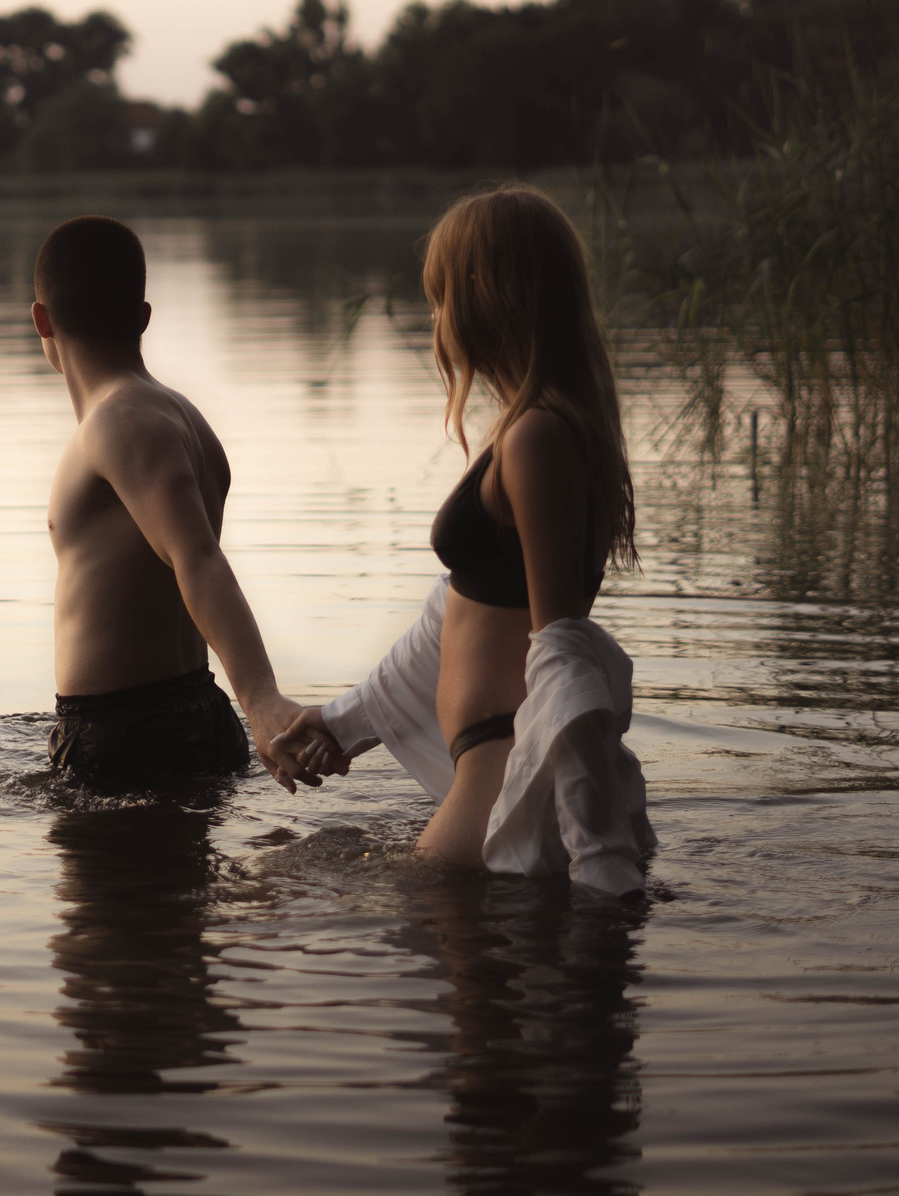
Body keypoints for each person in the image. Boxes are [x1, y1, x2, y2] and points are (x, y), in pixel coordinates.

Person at [275, 185, 654, 889]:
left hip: (497, 784)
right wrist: (340, 721)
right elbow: (460, 611)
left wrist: (601, 855)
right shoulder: (531, 426)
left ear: (489, 294)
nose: (435, 316)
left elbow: (562, 648)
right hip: (488, 773)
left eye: (442, 294)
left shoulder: (537, 434)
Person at [35, 215, 317, 794]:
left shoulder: (121, 419)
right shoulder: (179, 416)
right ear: (142, 317)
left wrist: (261, 701)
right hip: (192, 714)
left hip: (121, 737)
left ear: (41, 318)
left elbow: (197, 557)